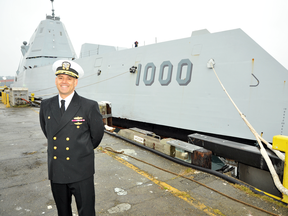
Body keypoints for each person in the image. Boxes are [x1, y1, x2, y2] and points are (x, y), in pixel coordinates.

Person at [39, 60, 104, 216]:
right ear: (56, 80)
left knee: (86, 212)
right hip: (57, 170)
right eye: (60, 77)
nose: (64, 82)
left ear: (75, 82)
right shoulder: (46, 105)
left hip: (81, 170)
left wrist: (79, 151)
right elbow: (48, 132)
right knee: (63, 212)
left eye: (69, 78)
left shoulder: (89, 106)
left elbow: (96, 136)